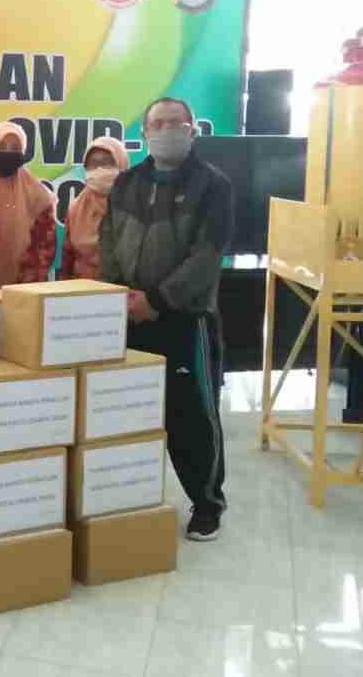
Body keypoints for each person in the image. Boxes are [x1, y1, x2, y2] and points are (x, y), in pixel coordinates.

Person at [100, 97, 233, 541]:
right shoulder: (126, 183)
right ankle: (126, 501)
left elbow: (207, 257)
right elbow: (108, 241)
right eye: (158, 123)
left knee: (191, 416)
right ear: (144, 132)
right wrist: (118, 295)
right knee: (124, 415)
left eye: (177, 123)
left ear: (192, 129)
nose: (167, 130)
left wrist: (157, 300)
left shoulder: (213, 186)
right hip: (127, 318)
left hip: (184, 319)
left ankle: (207, 503)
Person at [0, 122, 57, 286]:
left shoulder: (39, 196)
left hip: (26, 289)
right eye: (1, 146)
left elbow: (45, 249)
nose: (8, 152)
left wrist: (23, 285)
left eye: (15, 148)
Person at [61, 136, 130, 280]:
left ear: (122, 164)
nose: (100, 169)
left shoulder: (140, 205)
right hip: (83, 288)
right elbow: (67, 258)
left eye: (108, 163)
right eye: (93, 164)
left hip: (128, 289)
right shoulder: (76, 209)